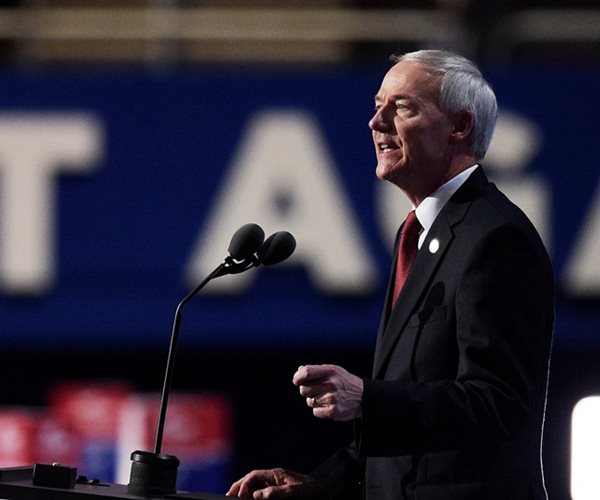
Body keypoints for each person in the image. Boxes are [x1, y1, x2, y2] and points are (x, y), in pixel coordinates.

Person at [226, 49, 554, 500]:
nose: (376, 122)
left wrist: (366, 398)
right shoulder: (418, 233)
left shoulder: (496, 238)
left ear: (459, 126)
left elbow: (500, 404)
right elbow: (413, 411)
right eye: (377, 104)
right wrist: (323, 481)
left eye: (402, 107)